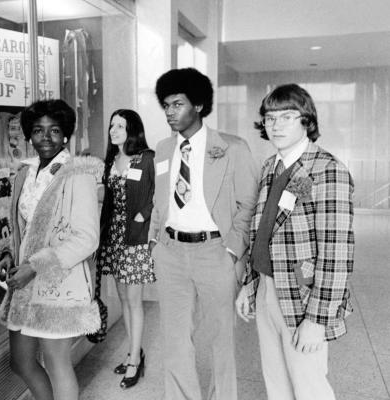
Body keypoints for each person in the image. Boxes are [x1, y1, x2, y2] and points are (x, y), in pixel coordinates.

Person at [236, 84, 354, 400]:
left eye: (288, 116)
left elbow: (336, 254)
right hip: (266, 288)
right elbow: (260, 232)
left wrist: (317, 320)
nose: (277, 125)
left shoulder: (327, 170)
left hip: (302, 297)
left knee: (309, 386)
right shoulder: (271, 167)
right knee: (276, 383)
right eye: (270, 117)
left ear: (306, 120)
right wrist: (250, 286)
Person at [149, 68, 258, 400]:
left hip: (215, 251)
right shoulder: (164, 148)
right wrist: (155, 241)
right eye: (166, 105)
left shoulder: (232, 148)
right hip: (171, 252)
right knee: (175, 339)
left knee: (221, 339)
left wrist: (232, 250)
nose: (170, 112)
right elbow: (160, 198)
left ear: (198, 104)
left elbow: (248, 203)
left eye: (177, 104)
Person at [0, 99, 102, 400]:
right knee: (21, 361)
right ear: (29, 136)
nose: (46, 137)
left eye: (54, 130)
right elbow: (20, 227)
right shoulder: (23, 175)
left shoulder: (76, 174)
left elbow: (87, 238)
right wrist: (6, 253)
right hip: (24, 285)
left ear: (66, 135)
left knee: (56, 362)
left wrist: (36, 266)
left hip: (58, 282)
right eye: (39, 130)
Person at [97, 109, 156, 389]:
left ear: (133, 129)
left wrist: (145, 215)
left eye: (120, 126)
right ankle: (135, 352)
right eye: (112, 126)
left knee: (134, 301)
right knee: (122, 298)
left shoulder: (146, 158)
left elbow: (159, 191)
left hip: (135, 238)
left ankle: (134, 361)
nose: (114, 130)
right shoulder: (110, 160)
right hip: (114, 237)